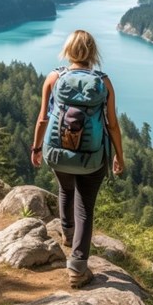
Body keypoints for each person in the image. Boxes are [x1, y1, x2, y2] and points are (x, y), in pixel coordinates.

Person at [31, 29, 124, 288]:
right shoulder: (103, 82)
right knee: (86, 208)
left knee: (65, 188)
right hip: (92, 157)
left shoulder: (54, 77)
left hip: (57, 153)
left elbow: (43, 118)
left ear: (68, 50)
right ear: (92, 53)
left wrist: (36, 148)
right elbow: (112, 125)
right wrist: (119, 156)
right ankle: (78, 268)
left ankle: (68, 236)